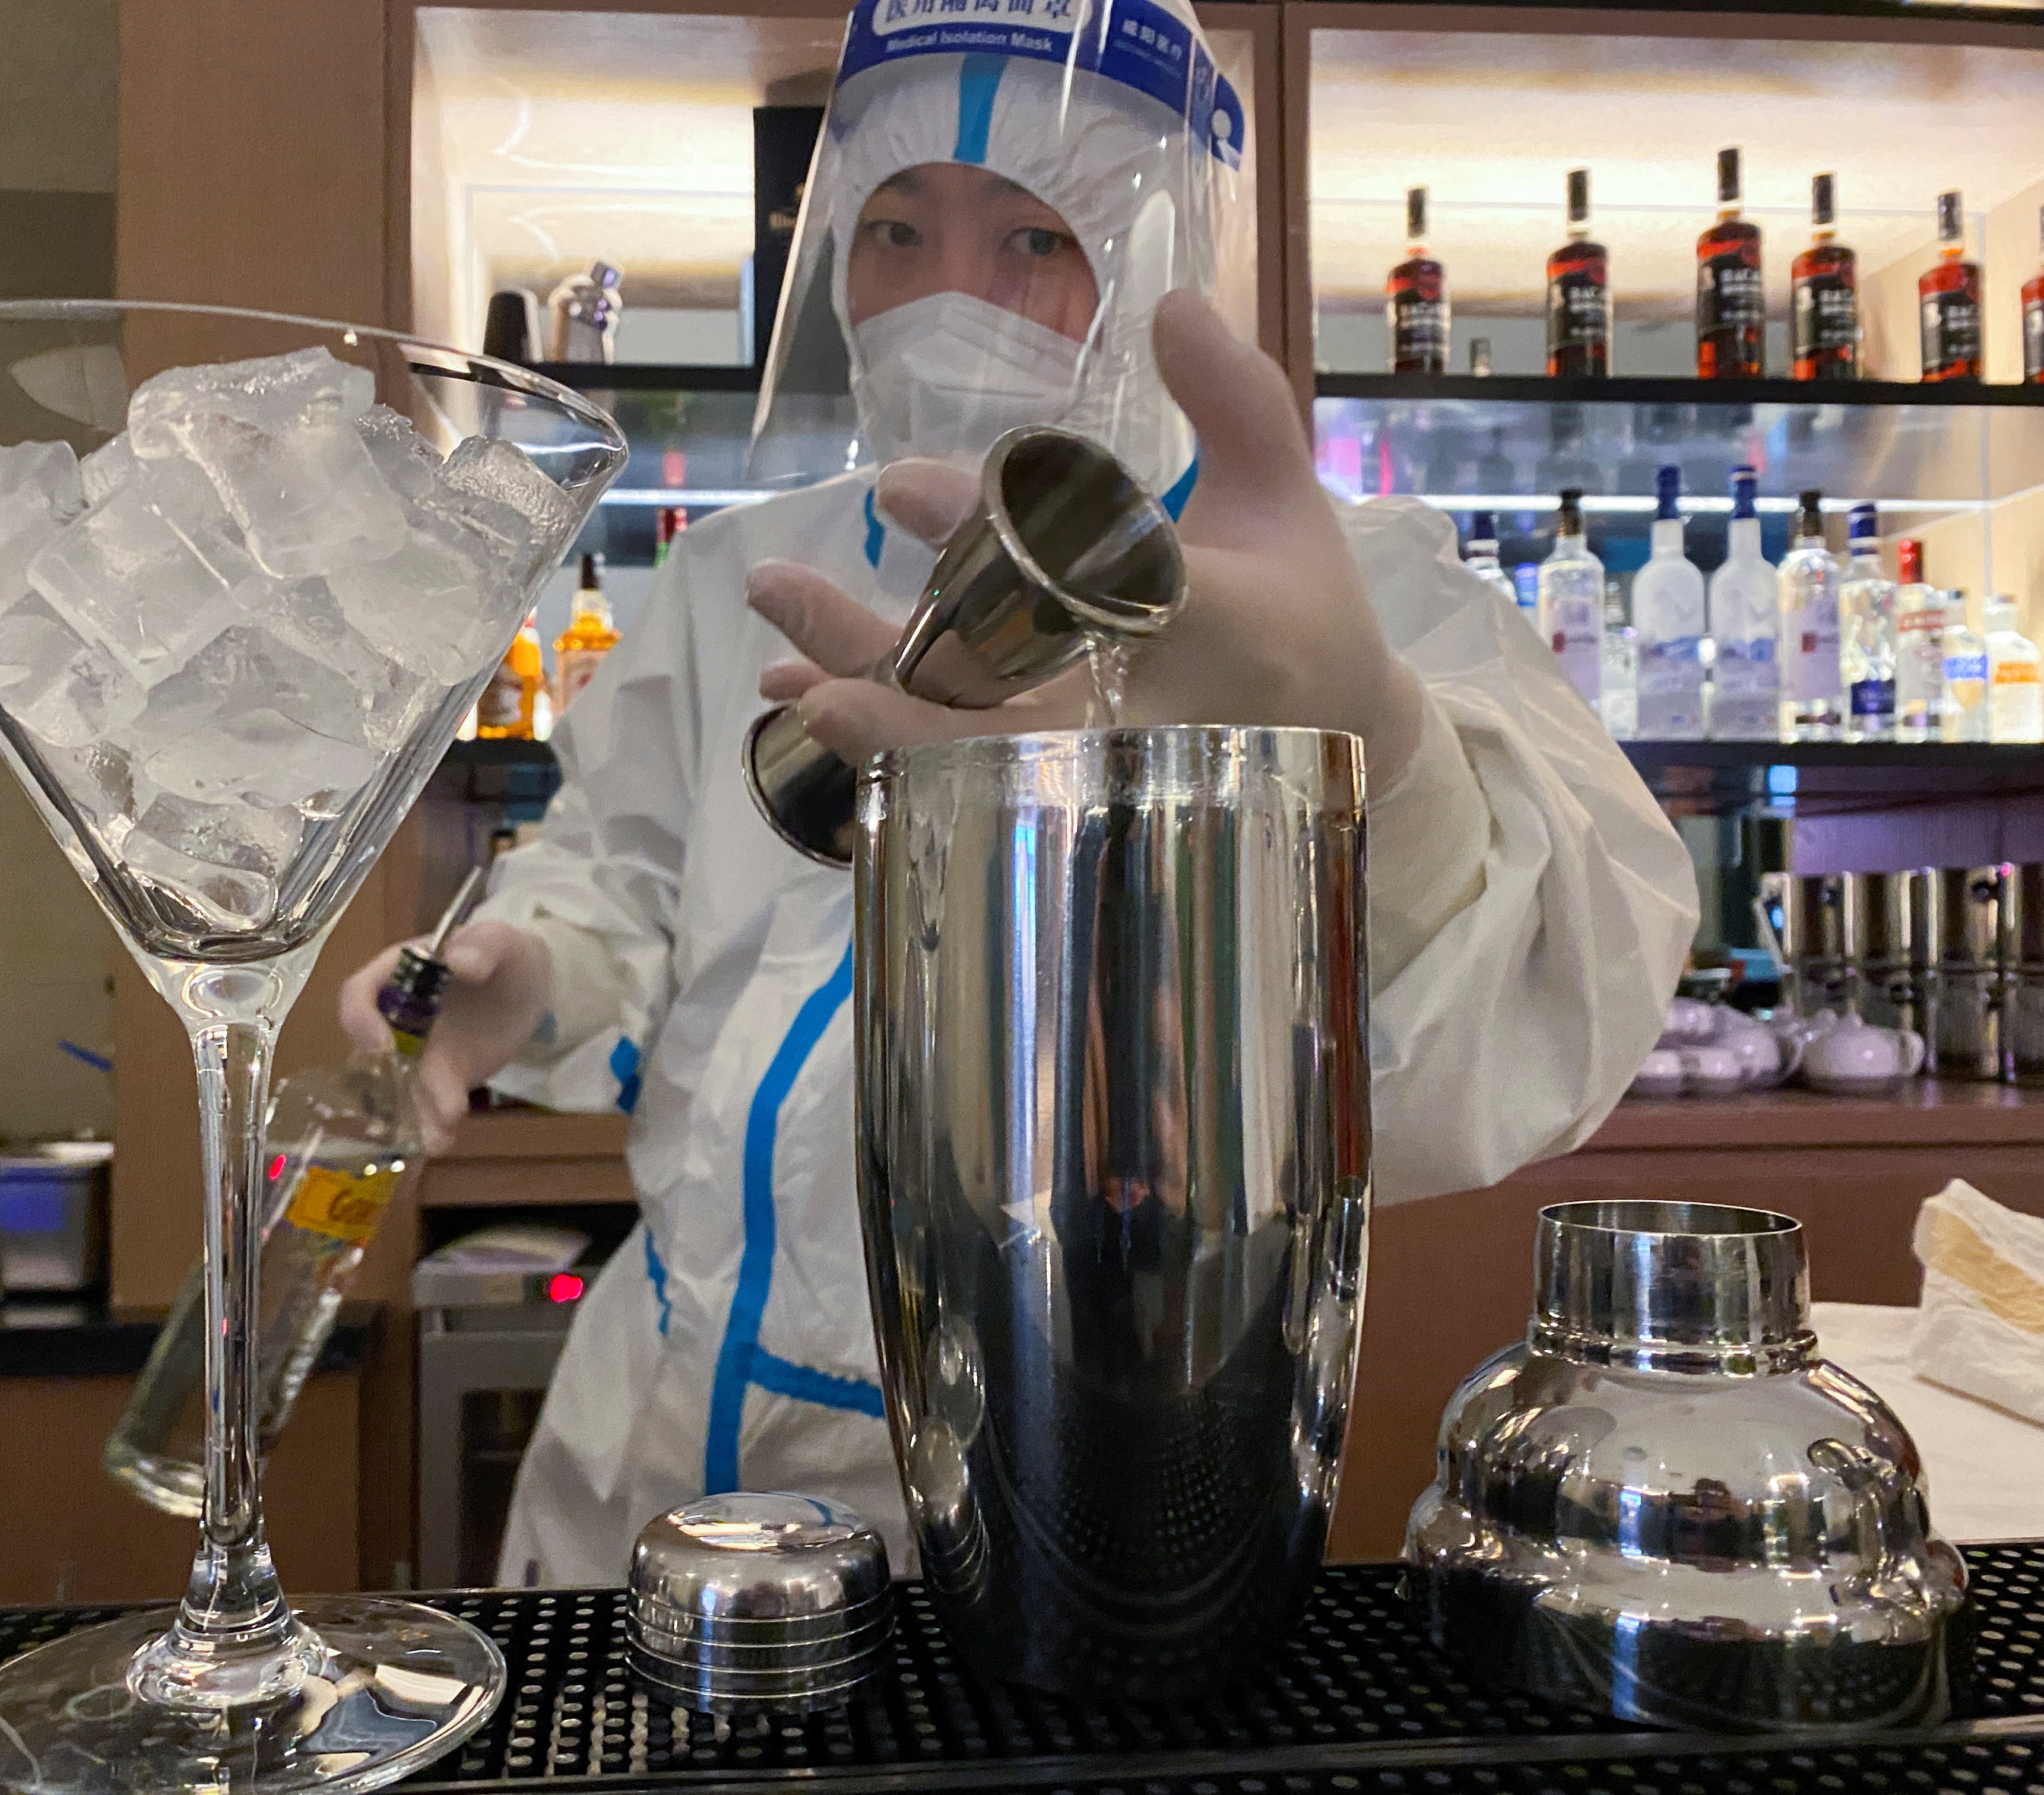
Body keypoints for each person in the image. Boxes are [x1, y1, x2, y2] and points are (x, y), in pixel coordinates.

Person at [341, 0, 1698, 1587]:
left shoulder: (1328, 602)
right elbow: (625, 873)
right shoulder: (734, 578)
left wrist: (1370, 744)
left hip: (1082, 1479)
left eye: (1036, 241)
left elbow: (1554, 989)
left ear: (1155, 264)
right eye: (895, 228)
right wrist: (533, 977)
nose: (941, 301)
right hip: (655, 1460)